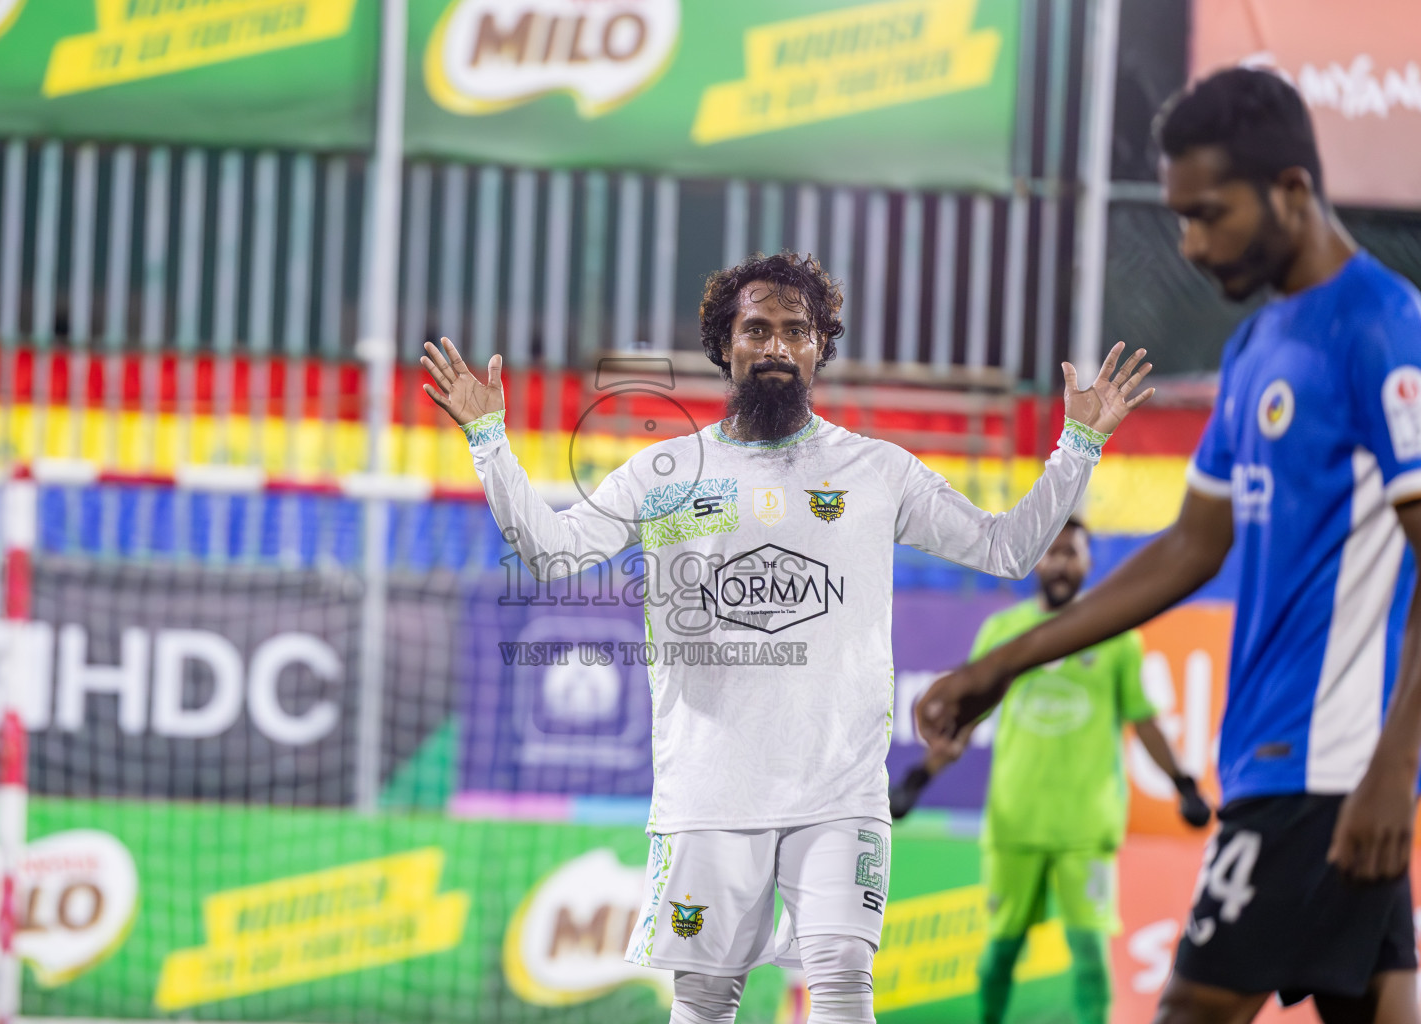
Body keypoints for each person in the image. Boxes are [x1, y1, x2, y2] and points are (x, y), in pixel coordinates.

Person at [421, 251, 1154, 1024]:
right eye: (757, 329)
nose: (775, 346)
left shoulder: (878, 472)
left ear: (819, 346)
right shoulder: (664, 472)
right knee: (706, 998)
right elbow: (552, 551)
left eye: (795, 331)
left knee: (842, 980)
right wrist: (487, 439)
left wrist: (1079, 444)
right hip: (707, 793)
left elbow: (1006, 549)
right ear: (723, 345)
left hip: (839, 792)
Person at [918, 67, 1421, 1024]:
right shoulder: (1255, 349)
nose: (1189, 244)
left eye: (1208, 214)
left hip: (1324, 773)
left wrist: (1396, 766)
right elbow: (1191, 545)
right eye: (1179, 216)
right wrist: (1009, 665)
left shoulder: (1381, 327)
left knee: (1191, 1011)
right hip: (1293, 768)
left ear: (1292, 192)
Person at [893, 518, 1212, 1024]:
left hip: (1084, 827)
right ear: (1036, 559)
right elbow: (966, 718)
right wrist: (919, 778)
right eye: (1052, 552)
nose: (1061, 563)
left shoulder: (1116, 639)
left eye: (1072, 553)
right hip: (1015, 822)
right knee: (999, 956)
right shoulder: (1003, 632)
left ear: (1090, 562)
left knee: (1089, 954)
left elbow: (1143, 720)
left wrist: (1183, 784)